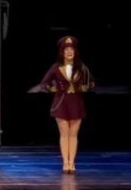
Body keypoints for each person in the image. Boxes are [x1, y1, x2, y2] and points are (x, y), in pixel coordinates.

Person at [38, 36, 95, 173]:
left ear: (75, 51)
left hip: (76, 103)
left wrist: (83, 88)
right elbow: (43, 84)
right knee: (64, 134)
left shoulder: (82, 67)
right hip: (61, 103)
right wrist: (52, 88)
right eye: (66, 49)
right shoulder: (56, 68)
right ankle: (65, 163)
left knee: (73, 135)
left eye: (72, 49)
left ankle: (72, 163)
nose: (69, 51)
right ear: (62, 52)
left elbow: (92, 83)